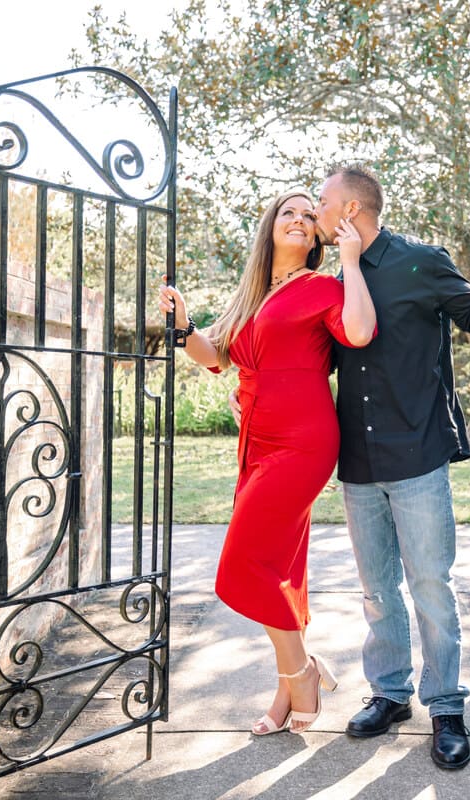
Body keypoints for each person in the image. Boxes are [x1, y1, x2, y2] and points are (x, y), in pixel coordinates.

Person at [315, 163, 470, 769]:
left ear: (350, 210)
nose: (317, 213)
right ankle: (390, 694)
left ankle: (447, 705)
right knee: (378, 591)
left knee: (431, 586)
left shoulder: (420, 262)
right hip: (357, 461)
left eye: (323, 202)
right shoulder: (333, 279)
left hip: (418, 455)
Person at [157, 189, 376, 735]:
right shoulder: (253, 293)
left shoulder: (324, 286)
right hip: (257, 438)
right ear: (270, 226)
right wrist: (185, 327)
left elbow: (359, 331)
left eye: (309, 214)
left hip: (304, 439)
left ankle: (300, 671)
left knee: (244, 562)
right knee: (280, 564)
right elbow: (217, 356)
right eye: (289, 212)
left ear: (317, 235)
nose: (301, 219)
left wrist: (349, 263)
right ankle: (287, 690)